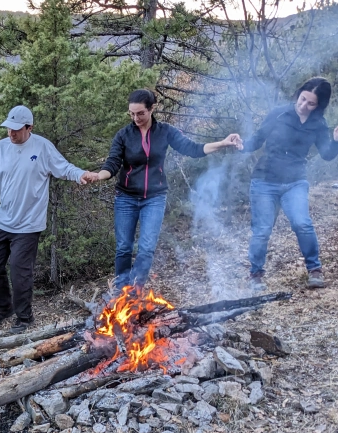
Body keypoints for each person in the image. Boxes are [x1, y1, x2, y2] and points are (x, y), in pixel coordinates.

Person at [0, 105, 98, 334]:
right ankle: (3, 309)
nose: (11, 133)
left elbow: (64, 168)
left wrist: (82, 175)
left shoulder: (42, 147)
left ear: (29, 127)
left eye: (17, 129)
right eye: (9, 128)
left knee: (20, 271)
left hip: (29, 224)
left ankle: (24, 318)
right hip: (3, 221)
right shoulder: (0, 149)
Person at [96, 89, 242, 292]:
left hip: (154, 198)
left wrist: (223, 143)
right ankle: (121, 293)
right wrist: (98, 175)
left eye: (140, 113)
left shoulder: (165, 131)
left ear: (152, 108)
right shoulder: (123, 135)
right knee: (123, 248)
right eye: (131, 114)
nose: (135, 118)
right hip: (126, 198)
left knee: (146, 249)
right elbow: (112, 164)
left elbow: (193, 149)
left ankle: (136, 291)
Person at [241, 77, 338, 291]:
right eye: (303, 99)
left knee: (302, 223)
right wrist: (239, 145)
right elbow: (256, 140)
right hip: (265, 180)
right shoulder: (279, 114)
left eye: (311, 103)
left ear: (318, 105)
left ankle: (315, 270)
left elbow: (327, 155)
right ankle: (255, 275)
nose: (304, 106)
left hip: (295, 181)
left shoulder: (318, 124)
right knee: (262, 230)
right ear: (298, 94)